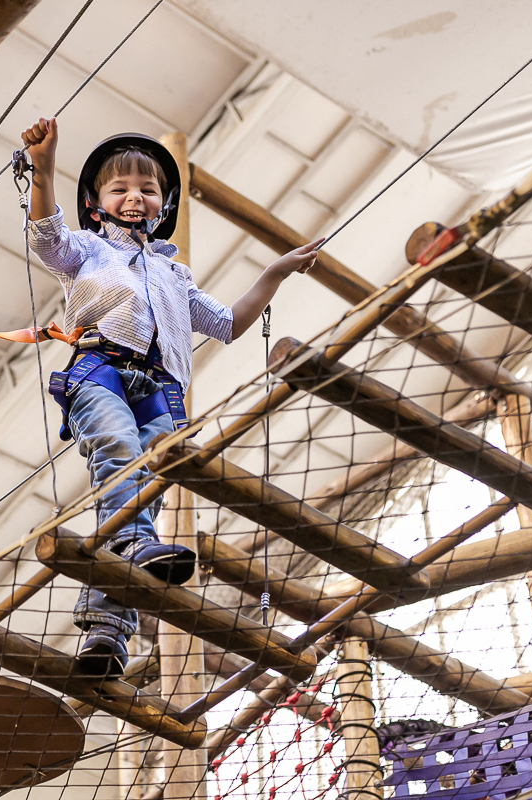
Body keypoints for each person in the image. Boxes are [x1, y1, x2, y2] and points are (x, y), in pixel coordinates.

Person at [21, 116, 321, 678]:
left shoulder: (175, 276)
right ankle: (132, 558)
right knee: (118, 451)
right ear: (95, 206)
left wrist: (275, 273)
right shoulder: (87, 249)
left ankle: (107, 632)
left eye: (148, 189)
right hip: (101, 368)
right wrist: (43, 169)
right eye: (120, 188)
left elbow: (228, 322)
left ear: (162, 206)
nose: (135, 196)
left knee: (146, 489)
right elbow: (46, 238)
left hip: (163, 390)